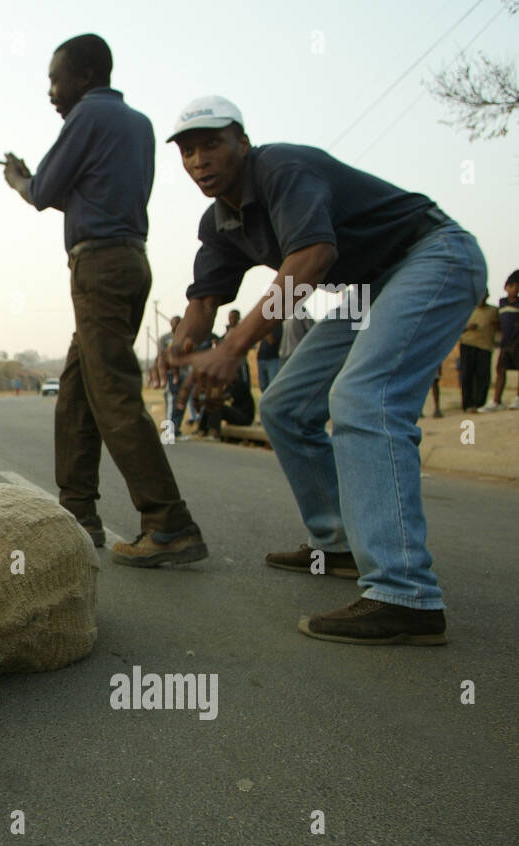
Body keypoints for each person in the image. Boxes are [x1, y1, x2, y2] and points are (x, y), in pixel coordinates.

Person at [161, 95, 487, 644]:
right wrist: (181, 343)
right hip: (370, 289)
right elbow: (205, 298)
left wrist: (233, 346)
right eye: (188, 151)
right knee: (286, 407)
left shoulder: (281, 168)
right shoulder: (219, 221)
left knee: (364, 400)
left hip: (432, 255)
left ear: (242, 140)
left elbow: (311, 260)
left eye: (212, 144)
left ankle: (405, 594)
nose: (199, 160)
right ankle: (338, 543)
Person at [2, 36, 206, 565]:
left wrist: (17, 178)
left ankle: (168, 523)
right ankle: (77, 513)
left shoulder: (86, 117)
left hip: (99, 266)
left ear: (86, 76)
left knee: (112, 393)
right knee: (76, 389)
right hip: (130, 260)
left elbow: (46, 190)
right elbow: (93, 189)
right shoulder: (138, 124)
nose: (51, 91)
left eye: (56, 79)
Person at [480, 270, 519, 411]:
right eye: (512, 286)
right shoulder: (502, 304)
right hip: (505, 342)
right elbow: (501, 321)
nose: (515, 289)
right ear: (506, 287)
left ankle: (517, 398)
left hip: (517, 342)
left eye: (517, 287)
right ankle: (497, 400)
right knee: (500, 370)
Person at [458, 295, 498, 413]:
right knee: (466, 375)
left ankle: (480, 404)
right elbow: (456, 328)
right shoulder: (466, 310)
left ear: (487, 296)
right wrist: (468, 328)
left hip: (485, 346)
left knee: (483, 375)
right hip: (467, 344)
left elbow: (500, 326)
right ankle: (467, 404)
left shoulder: (494, 310)